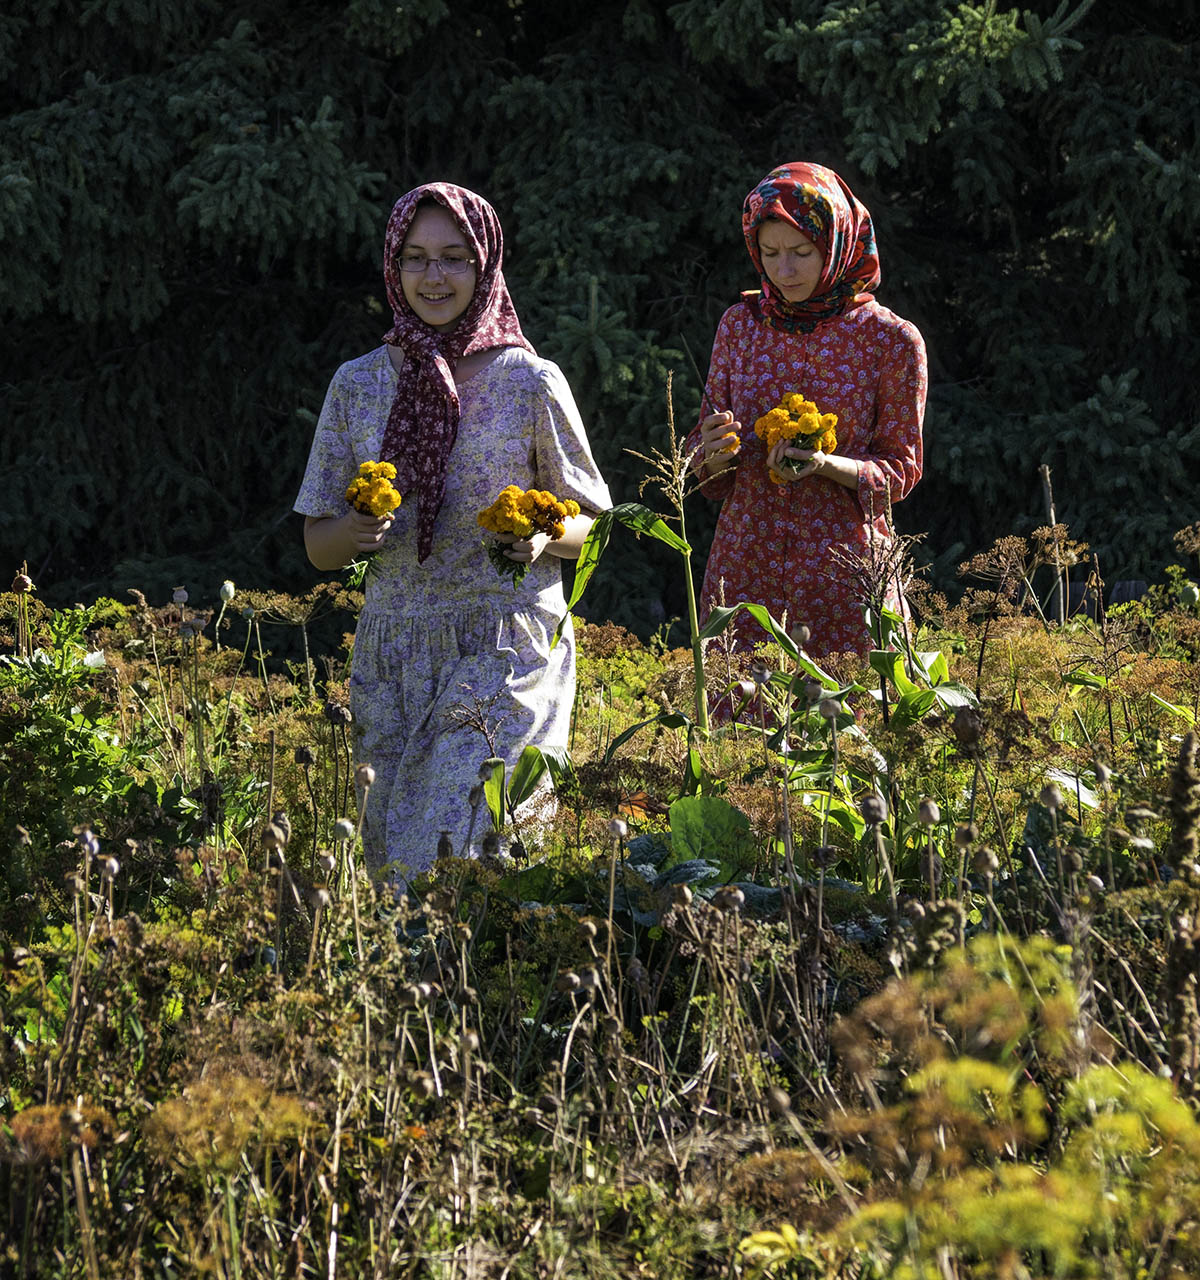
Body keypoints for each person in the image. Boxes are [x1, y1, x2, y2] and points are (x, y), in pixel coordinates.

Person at [295, 183, 611, 878]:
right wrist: (352, 530)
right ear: (392, 267)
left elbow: (593, 526)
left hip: (506, 644)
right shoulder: (358, 384)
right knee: (397, 874)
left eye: (454, 259)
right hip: (395, 655)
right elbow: (317, 545)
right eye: (416, 259)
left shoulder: (531, 380)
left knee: (474, 853)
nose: (433, 278)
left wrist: (541, 537)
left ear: (486, 265)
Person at [687, 161, 926, 662]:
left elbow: (900, 472)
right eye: (769, 253)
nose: (784, 270)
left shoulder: (890, 340)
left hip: (843, 576)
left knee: (843, 727)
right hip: (746, 571)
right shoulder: (740, 327)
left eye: (801, 252)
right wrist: (708, 452)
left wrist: (823, 465)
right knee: (742, 727)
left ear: (836, 244)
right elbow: (706, 473)